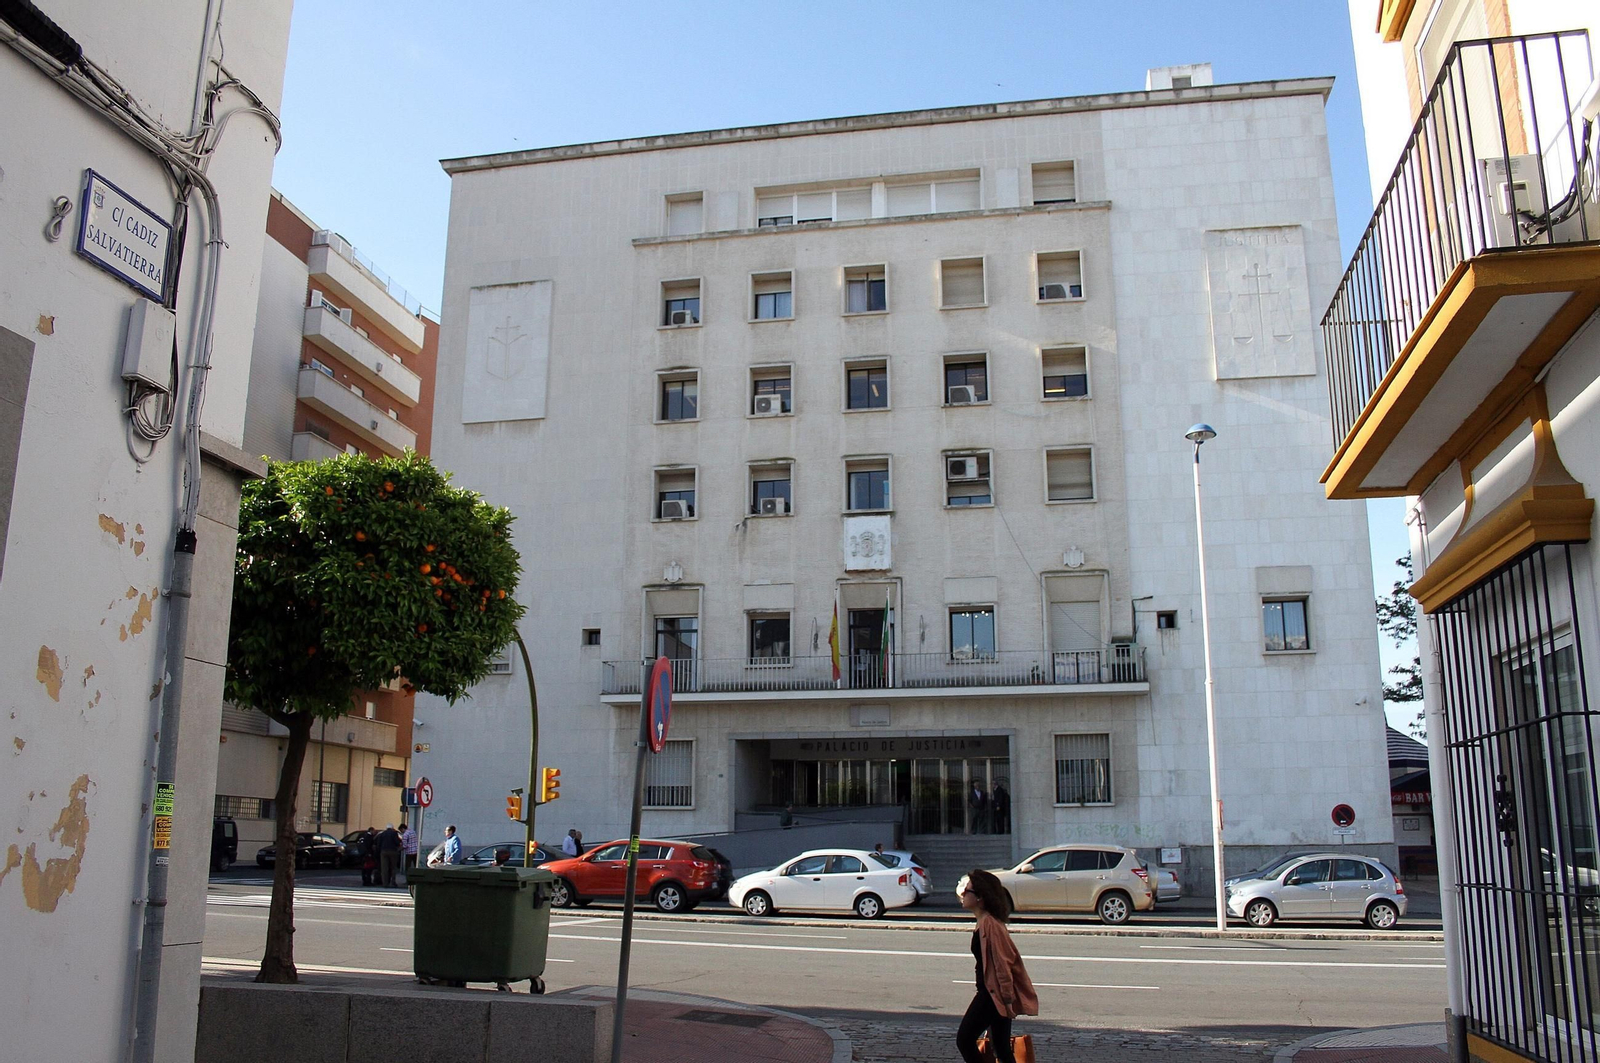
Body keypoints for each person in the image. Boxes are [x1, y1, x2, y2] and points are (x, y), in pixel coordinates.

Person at [955, 869, 1038, 1063]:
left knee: (964, 1040)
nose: (963, 894)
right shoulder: (984, 922)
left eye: (967, 890)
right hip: (993, 993)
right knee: (1000, 1047)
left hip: (992, 994)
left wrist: (1007, 1000)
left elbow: (1003, 964)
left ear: (980, 897)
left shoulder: (990, 925)